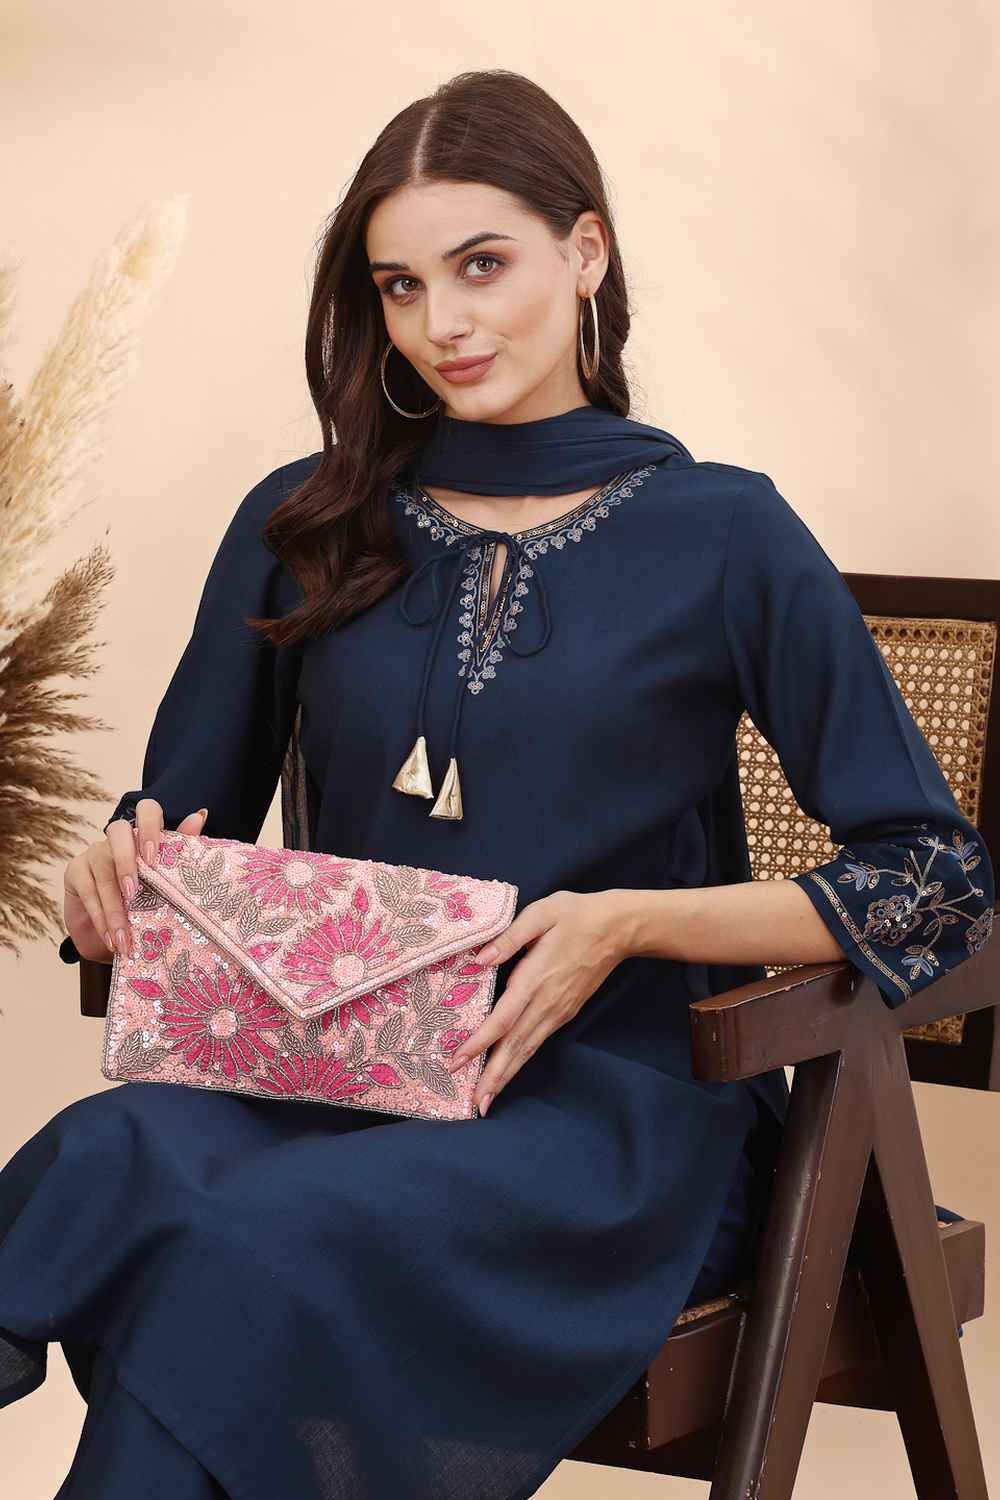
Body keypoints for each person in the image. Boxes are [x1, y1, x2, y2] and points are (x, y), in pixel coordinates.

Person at [1, 68, 991, 1500]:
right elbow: (176, 829)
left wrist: (629, 924)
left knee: (248, 1259)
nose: (442, 325)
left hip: (606, 1122)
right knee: (96, 1162)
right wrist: (115, 871)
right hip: (328, 1071)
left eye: (482, 266)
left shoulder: (725, 533)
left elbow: (937, 886)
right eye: (400, 287)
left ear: (586, 252)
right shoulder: (306, 518)